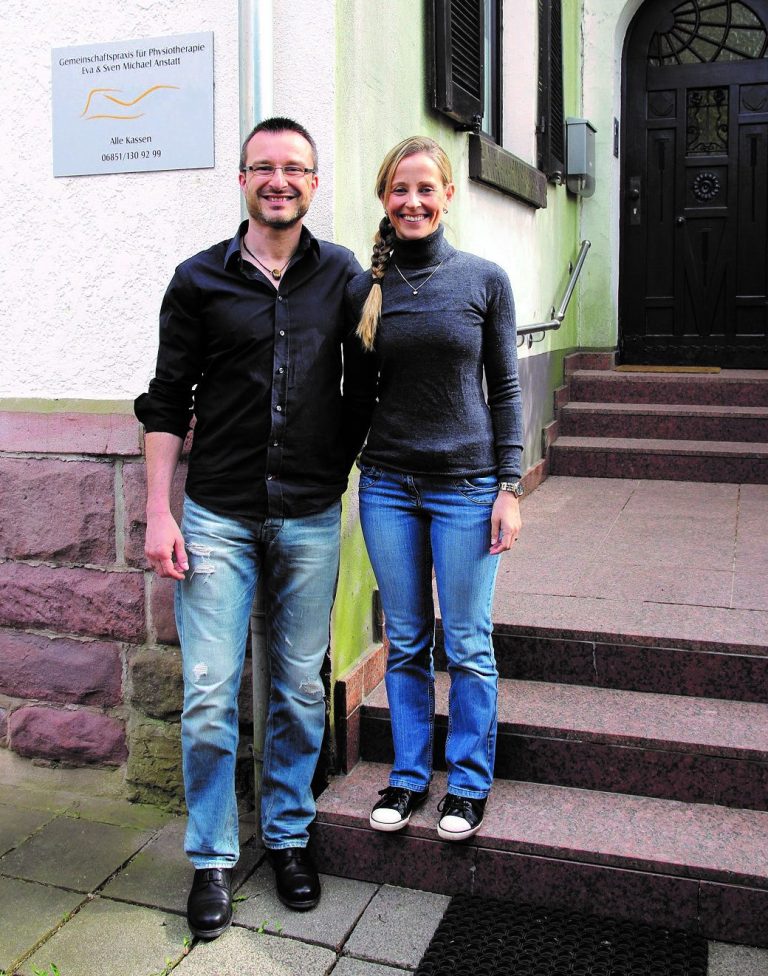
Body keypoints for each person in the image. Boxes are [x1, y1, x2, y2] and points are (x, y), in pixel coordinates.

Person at [134, 117, 370, 937]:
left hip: (308, 515)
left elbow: (371, 381)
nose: (279, 180)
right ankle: (209, 859)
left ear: (314, 182)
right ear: (243, 180)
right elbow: (166, 401)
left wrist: (341, 464)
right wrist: (158, 511)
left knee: (300, 690)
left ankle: (289, 836)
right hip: (216, 518)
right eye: (263, 167)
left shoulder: (342, 275)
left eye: (295, 169)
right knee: (207, 694)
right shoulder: (198, 280)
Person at [346, 136, 524, 843]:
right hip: (387, 485)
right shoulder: (369, 289)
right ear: (384, 200)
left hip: (468, 488)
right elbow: (357, 397)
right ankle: (410, 776)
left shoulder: (485, 279)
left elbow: (506, 389)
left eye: (426, 188)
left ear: (448, 195)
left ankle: (469, 783)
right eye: (399, 189)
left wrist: (509, 486)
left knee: (469, 641)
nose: (412, 201)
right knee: (408, 638)